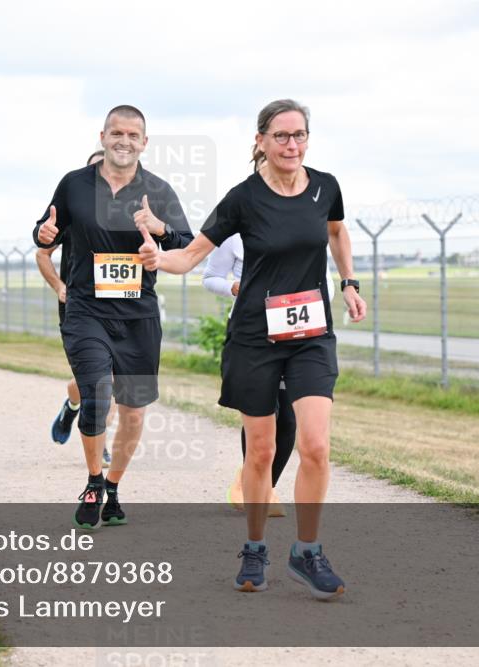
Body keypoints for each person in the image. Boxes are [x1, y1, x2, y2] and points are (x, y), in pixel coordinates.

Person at [139, 99, 366, 599]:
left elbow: (336, 231)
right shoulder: (242, 198)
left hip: (310, 335)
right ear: (260, 140)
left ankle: (307, 551)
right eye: (281, 136)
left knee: (316, 446)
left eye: (300, 135)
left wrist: (349, 282)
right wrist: (158, 258)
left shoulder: (326, 187)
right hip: (254, 339)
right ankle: (255, 547)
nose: (292, 145)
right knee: (261, 450)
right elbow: (191, 256)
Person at [34, 105, 193, 530]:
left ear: (144, 142)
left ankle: (114, 486)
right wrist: (42, 233)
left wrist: (159, 230)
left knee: (134, 411)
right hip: (86, 310)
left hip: (138, 315)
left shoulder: (158, 190)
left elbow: (186, 246)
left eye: (133, 135)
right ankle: (92, 482)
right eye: (116, 133)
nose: (124, 141)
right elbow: (45, 229)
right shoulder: (74, 184)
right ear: (102, 136)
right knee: (97, 394)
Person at [203, 205, 337, 517]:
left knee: (288, 418)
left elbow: (327, 283)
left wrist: (308, 299)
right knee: (263, 413)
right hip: (252, 332)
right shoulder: (236, 230)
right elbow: (210, 277)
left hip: (297, 331)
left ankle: (263, 487)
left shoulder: (306, 226)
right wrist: (234, 287)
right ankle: (257, 489)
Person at [37, 149, 114, 467]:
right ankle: (73, 409)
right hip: (79, 307)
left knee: (113, 380)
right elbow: (42, 254)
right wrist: (59, 287)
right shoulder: (73, 214)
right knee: (94, 381)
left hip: (120, 309)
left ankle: (95, 435)